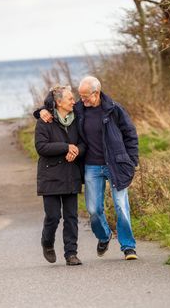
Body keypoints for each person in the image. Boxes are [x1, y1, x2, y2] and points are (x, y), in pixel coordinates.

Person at [39, 76, 139, 260]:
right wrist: (41, 111)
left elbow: (130, 134)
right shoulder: (79, 109)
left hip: (116, 164)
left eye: (85, 97)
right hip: (92, 166)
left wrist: (132, 161)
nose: (81, 100)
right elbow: (57, 108)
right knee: (93, 210)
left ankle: (128, 247)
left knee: (121, 206)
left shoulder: (114, 109)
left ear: (97, 93)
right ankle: (104, 236)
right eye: (80, 96)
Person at [33, 85, 85, 266]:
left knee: (71, 216)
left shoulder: (76, 119)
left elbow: (83, 142)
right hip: (51, 176)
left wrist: (76, 149)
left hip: (71, 174)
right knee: (53, 216)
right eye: (70, 99)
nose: (74, 101)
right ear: (58, 102)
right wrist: (66, 147)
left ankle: (71, 253)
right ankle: (47, 242)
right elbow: (41, 147)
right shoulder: (44, 121)